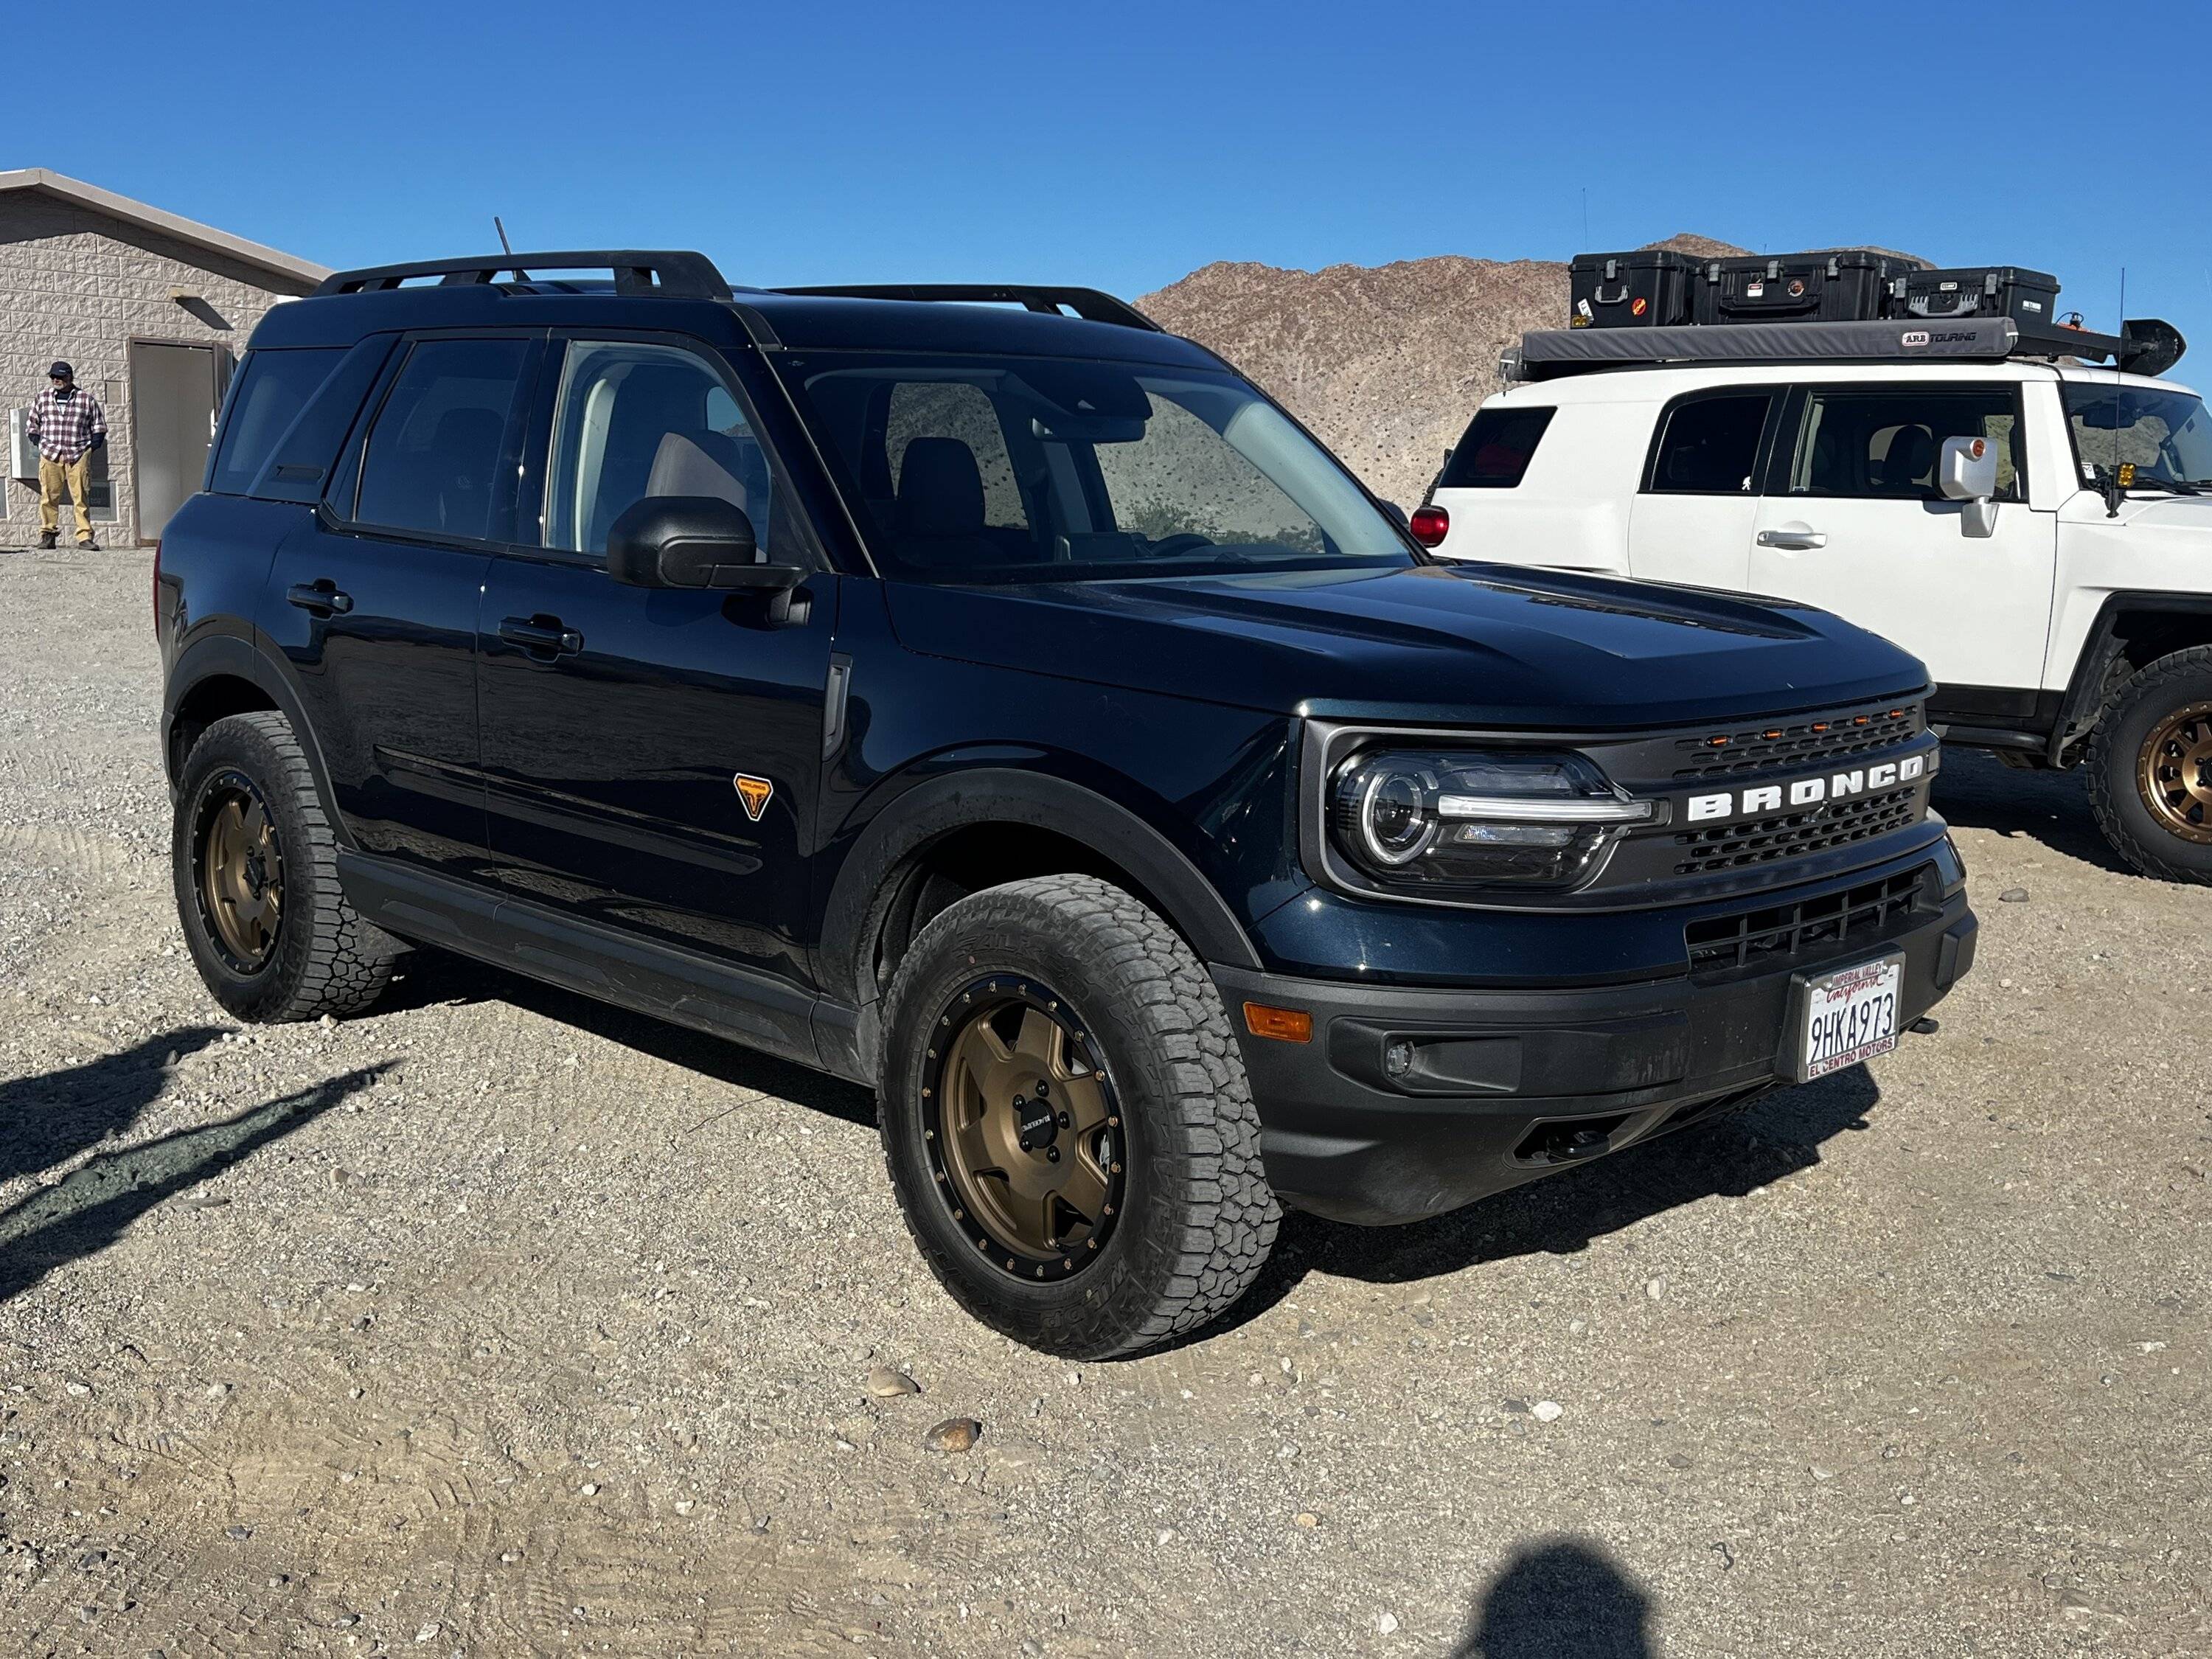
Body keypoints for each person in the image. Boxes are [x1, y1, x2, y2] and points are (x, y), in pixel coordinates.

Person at [29, 361, 107, 550]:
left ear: (70, 377)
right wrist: (38, 442)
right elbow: (32, 424)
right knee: (48, 496)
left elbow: (99, 426)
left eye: (61, 376)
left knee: (81, 497)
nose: (56, 380)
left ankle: (84, 537)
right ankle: (48, 535)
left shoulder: (86, 399)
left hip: (78, 453)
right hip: (50, 454)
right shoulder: (42, 398)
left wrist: (90, 448)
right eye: (53, 376)